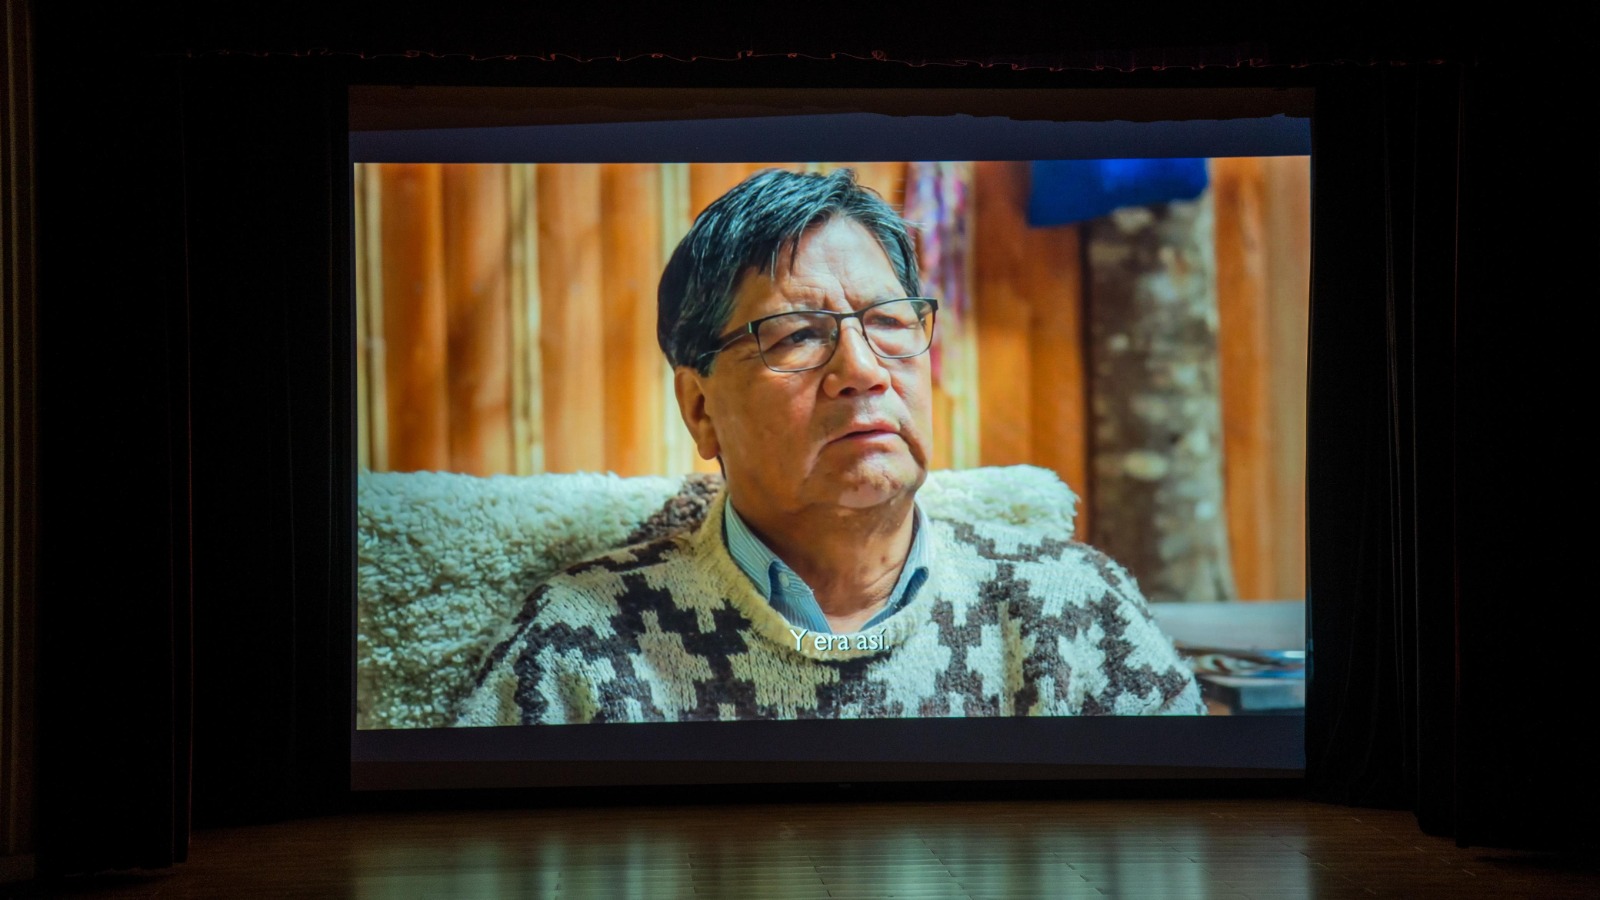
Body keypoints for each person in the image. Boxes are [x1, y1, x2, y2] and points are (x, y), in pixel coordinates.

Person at [456, 168, 1203, 725]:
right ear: (700, 407)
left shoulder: (1074, 611)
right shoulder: (581, 646)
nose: (865, 371)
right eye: (797, 335)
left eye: (889, 320)